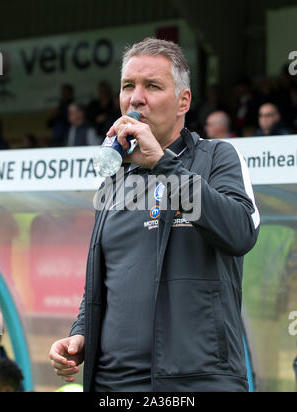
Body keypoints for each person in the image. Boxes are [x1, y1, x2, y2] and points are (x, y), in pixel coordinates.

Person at [49, 37, 260, 393]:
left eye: (152, 86)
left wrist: (164, 165)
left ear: (184, 101)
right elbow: (104, 278)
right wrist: (81, 332)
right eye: (128, 86)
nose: (136, 98)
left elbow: (240, 233)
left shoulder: (217, 158)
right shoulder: (116, 180)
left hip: (196, 384)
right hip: (111, 386)